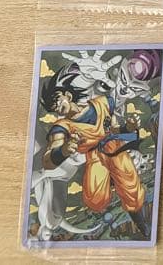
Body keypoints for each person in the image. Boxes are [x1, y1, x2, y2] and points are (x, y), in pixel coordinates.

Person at [41, 64, 151, 237]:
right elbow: (48, 161)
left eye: (57, 100)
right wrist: (63, 150)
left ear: (68, 95)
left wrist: (128, 127)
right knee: (95, 199)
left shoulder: (102, 103)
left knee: (132, 191)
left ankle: (141, 223)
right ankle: (111, 181)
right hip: (95, 156)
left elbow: (114, 128)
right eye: (53, 107)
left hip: (116, 149)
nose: (56, 107)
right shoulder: (62, 127)